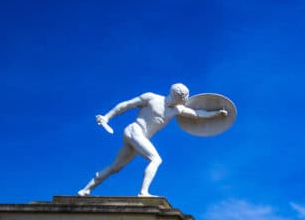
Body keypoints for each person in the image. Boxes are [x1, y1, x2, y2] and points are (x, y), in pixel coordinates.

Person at [77, 83, 228, 198]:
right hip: (134, 130)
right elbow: (126, 105)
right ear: (174, 95)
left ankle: (85, 190)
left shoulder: (177, 110)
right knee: (156, 159)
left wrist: (217, 113)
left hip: (139, 138)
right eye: (181, 98)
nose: (182, 101)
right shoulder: (151, 98)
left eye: (183, 99)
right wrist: (107, 117)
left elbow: (197, 113)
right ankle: (143, 192)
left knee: (115, 167)